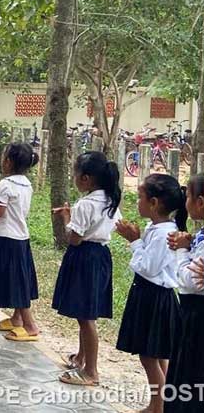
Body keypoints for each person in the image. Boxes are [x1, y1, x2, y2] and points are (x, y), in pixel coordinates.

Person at [114, 174, 184, 413]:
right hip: (152, 295)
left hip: (154, 297)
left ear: (154, 203)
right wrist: (137, 238)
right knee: (158, 354)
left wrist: (134, 241)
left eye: (141, 197)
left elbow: (149, 268)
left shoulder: (165, 233)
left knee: (149, 356)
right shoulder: (156, 228)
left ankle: (158, 406)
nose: (137, 202)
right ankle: (160, 404)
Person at [51, 151, 122, 386]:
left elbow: (75, 239)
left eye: (75, 174)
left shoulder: (86, 204)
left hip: (84, 257)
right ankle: (81, 358)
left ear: (86, 179)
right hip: (101, 256)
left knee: (85, 316)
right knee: (86, 311)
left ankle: (91, 370)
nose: (73, 177)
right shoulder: (110, 200)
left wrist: (66, 219)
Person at [0, 143, 41, 341]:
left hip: (5, 236)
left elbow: (0, 211)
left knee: (15, 282)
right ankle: (17, 319)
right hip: (21, 236)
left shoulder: (6, 184)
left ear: (8, 162)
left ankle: (30, 325)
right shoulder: (26, 184)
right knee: (19, 278)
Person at [165, 174, 204, 412]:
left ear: (200, 202)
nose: (185, 201)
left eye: (188, 196)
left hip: (197, 317)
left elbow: (190, 280)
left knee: (192, 378)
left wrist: (181, 252)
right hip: (191, 315)